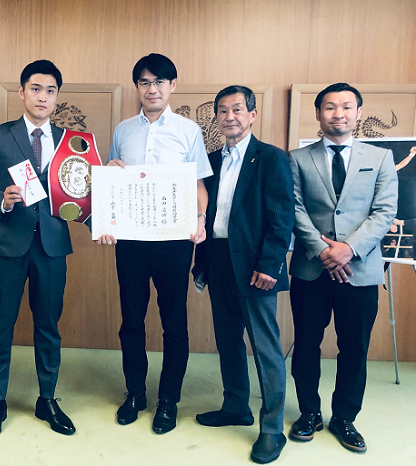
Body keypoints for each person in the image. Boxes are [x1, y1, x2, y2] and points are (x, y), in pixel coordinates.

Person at [96, 53, 212, 434]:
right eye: (145, 82)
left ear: (172, 86)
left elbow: (199, 185)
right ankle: (135, 393)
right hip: (131, 241)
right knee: (131, 319)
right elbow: (113, 180)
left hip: (174, 242)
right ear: (137, 87)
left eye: (160, 82)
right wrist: (107, 220)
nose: (152, 89)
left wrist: (200, 219)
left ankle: (168, 400)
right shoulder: (123, 130)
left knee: (173, 320)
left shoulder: (188, 131)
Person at [288, 82, 398, 454]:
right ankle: (309, 413)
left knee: (354, 347)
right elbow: (294, 209)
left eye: (347, 107)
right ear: (319, 114)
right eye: (330, 107)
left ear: (358, 113)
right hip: (311, 269)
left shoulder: (380, 157)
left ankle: (344, 417)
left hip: (360, 270)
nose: (339, 114)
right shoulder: (297, 158)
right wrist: (324, 251)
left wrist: (348, 249)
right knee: (306, 344)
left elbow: (384, 211)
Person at [192, 86, 294, 464]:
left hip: (255, 265)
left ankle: (272, 429)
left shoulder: (271, 158)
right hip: (218, 259)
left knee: (265, 347)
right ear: (216, 118)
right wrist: (202, 261)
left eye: (237, 109)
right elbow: (204, 211)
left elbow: (282, 216)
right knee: (228, 339)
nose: (229, 116)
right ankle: (235, 405)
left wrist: (270, 264)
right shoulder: (211, 160)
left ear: (252, 114)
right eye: (222, 110)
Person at [0, 59, 75, 439]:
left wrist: (109, 176)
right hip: (8, 244)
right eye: (35, 89)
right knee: (0, 324)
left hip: (52, 246)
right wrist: (1, 199)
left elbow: (83, 191)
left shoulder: (72, 142)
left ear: (57, 96)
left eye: (50, 90)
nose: (42, 97)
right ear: (21, 92)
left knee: (48, 325)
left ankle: (47, 398)